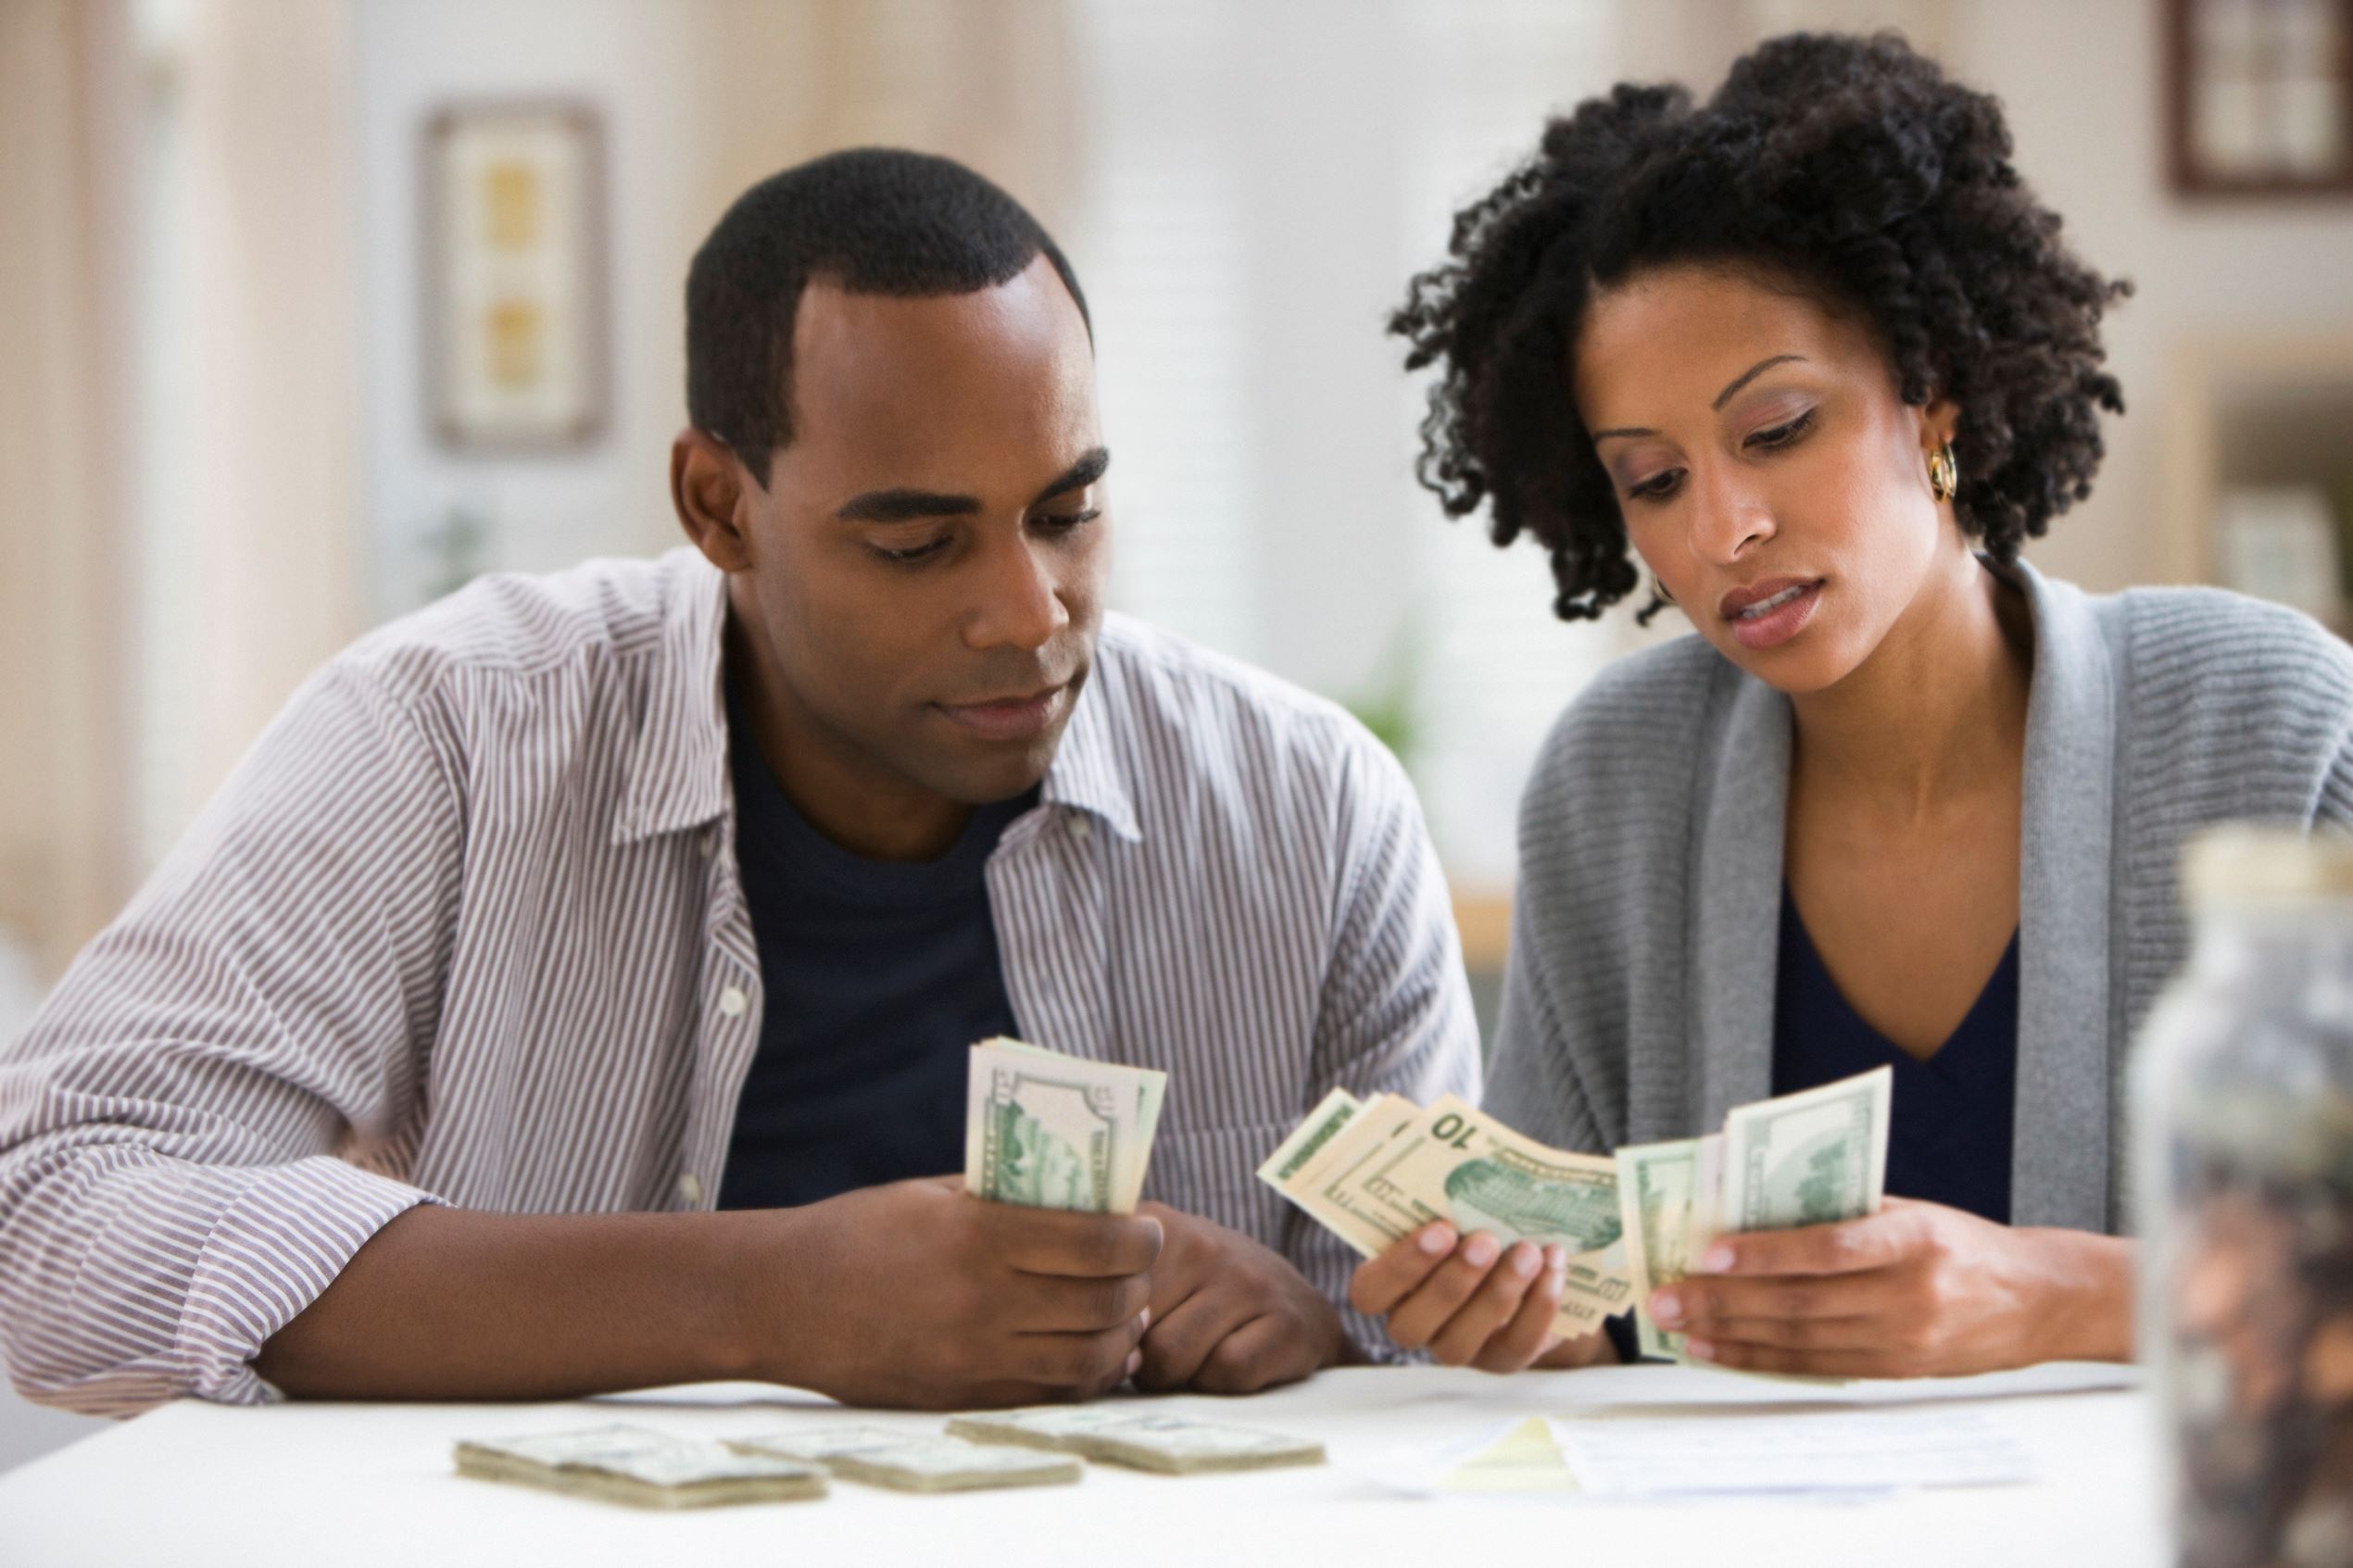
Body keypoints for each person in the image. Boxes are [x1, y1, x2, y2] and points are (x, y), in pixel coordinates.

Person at [0, 149, 1478, 1416]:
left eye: (1067, 510)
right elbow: (53, 1215)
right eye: (918, 540)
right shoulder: (448, 736)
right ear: (719, 504)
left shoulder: (1311, 812)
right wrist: (760, 1297)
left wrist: (1316, 1334)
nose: (1029, 612)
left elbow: (1451, 1371)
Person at [1349, 31, 2353, 1379]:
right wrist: (1541, 1324)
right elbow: (1594, 1341)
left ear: (1928, 392)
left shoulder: (2270, 725)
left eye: (1777, 430)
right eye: (1651, 479)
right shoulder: (1615, 783)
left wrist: (2058, 1294)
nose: (1724, 528)